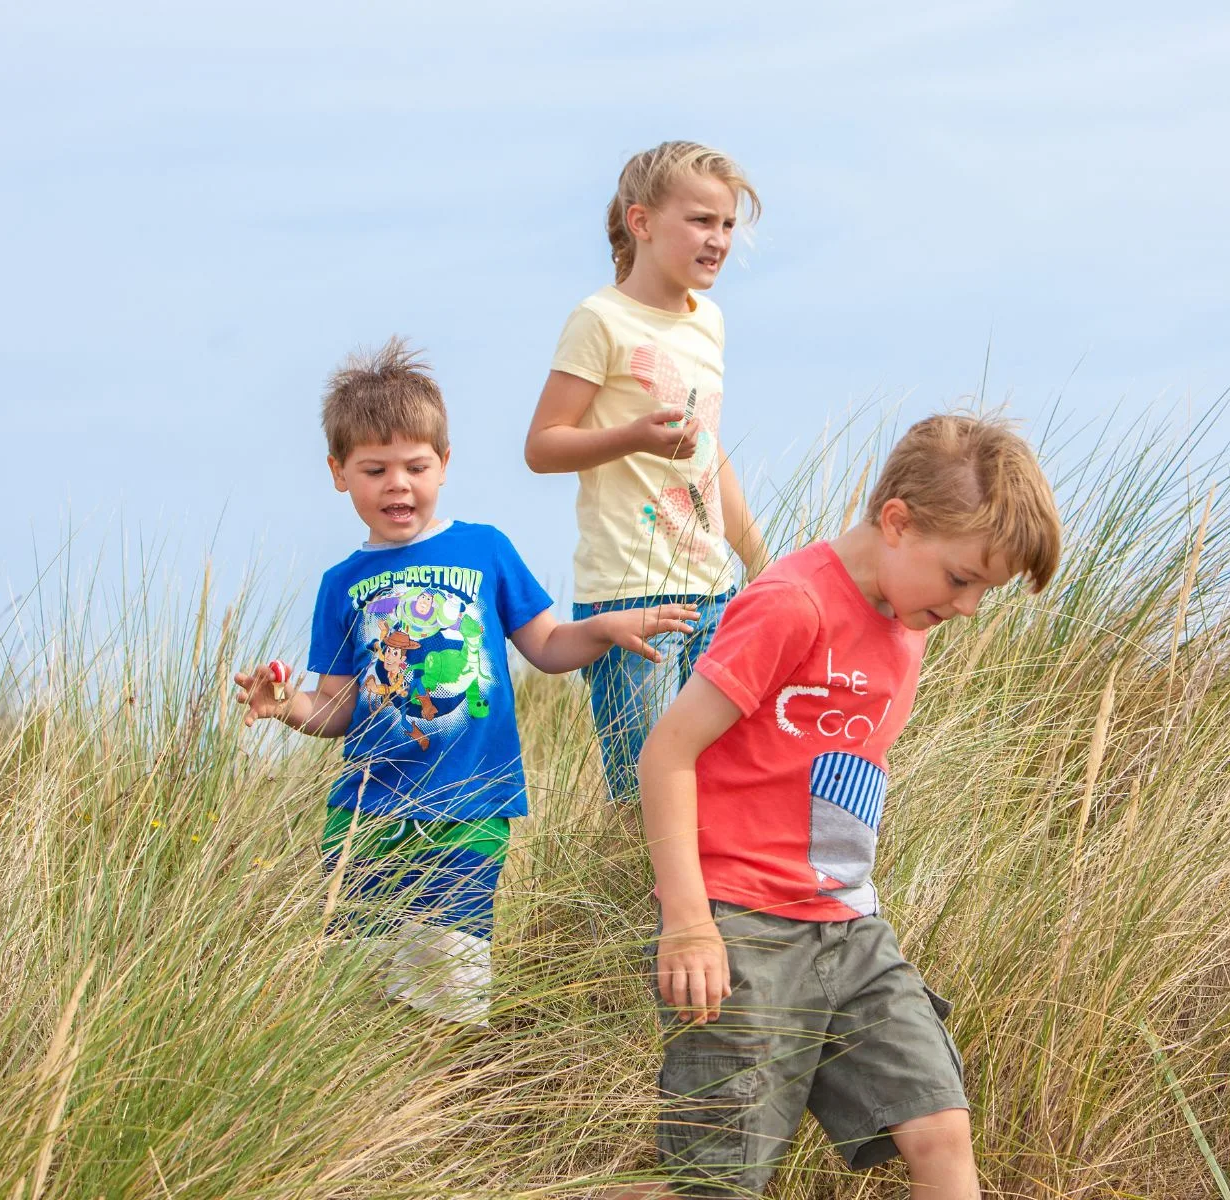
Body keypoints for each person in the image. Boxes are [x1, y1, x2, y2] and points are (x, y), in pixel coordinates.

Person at [628, 414, 1062, 1197]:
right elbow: (668, 752)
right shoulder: (792, 604)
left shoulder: (908, 622)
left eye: (983, 592)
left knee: (939, 1126)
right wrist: (690, 923)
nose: (967, 606)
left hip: (850, 924)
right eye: (962, 579)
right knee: (717, 1174)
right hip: (742, 926)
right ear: (896, 522)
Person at [234, 337, 696, 1025]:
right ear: (339, 474)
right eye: (375, 469)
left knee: (446, 995)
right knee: (359, 1001)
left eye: (416, 465)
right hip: (366, 818)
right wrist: (285, 706)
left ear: (444, 465)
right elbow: (336, 707)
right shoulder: (341, 585)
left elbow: (544, 645)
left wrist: (603, 629)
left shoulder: (485, 549)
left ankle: (437, 1105)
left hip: (469, 812)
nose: (398, 484)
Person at [525, 140, 771, 802]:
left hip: (713, 590)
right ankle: (631, 909)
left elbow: (708, 451)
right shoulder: (599, 320)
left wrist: (763, 566)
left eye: (725, 224)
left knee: (717, 789)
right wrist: (632, 438)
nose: (717, 238)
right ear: (641, 222)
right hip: (630, 594)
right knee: (643, 798)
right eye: (700, 220)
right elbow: (543, 445)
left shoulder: (709, 323)